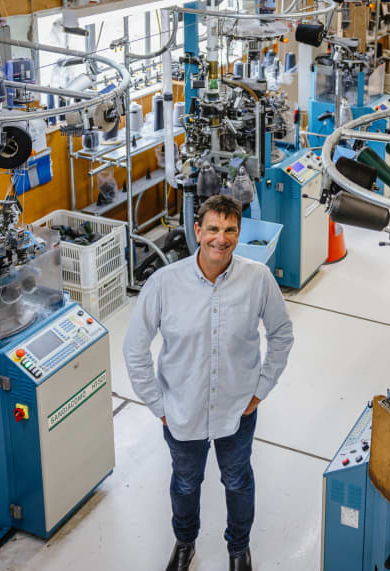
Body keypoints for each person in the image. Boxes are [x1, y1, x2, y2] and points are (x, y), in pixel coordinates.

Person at [123, 194, 294, 571]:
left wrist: (260, 390)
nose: (221, 238)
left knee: (237, 481)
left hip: (237, 407)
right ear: (197, 231)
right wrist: (158, 404)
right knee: (185, 483)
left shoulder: (258, 279)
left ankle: (238, 549)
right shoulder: (165, 283)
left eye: (230, 230)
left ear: (239, 232)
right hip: (181, 409)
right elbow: (135, 348)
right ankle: (185, 543)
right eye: (213, 229)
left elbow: (281, 334)